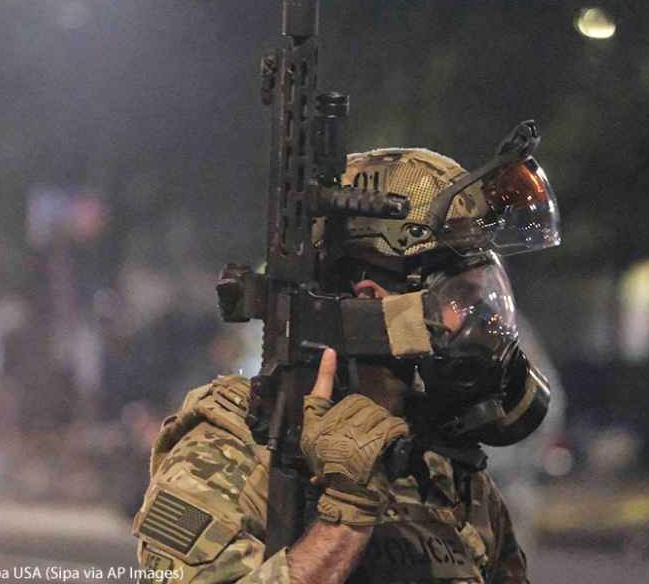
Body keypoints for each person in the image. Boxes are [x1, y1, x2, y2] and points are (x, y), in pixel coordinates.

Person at [133, 128, 561, 584]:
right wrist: (345, 516)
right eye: (459, 296)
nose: (474, 318)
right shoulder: (234, 447)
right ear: (372, 297)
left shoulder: (445, 468)